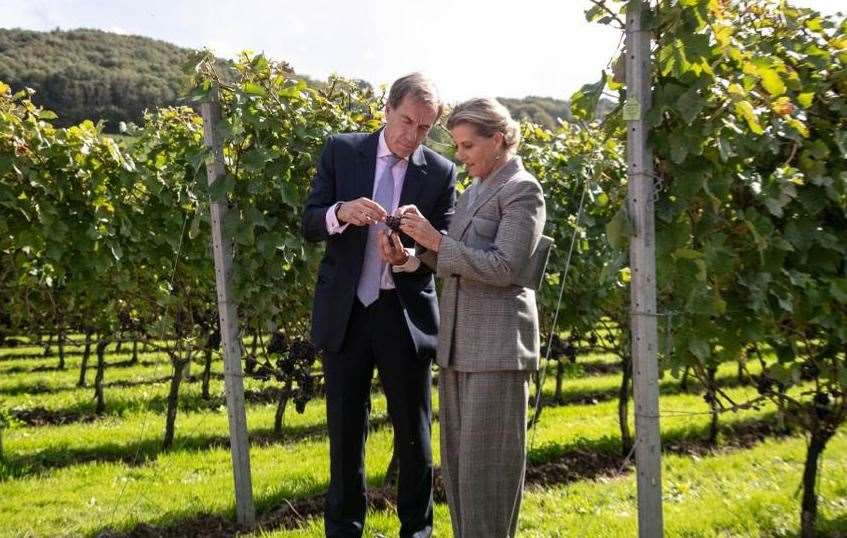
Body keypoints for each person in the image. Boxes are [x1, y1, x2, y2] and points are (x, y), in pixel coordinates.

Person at [300, 73, 457, 538]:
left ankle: (418, 532)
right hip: (347, 315)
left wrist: (407, 259)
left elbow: (438, 254)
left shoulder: (441, 172)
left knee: (414, 435)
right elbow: (309, 222)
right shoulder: (342, 151)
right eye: (407, 121)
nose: (413, 135)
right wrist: (340, 213)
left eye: (425, 128)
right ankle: (344, 531)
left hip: (402, 315)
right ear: (386, 110)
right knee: (345, 435)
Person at [392, 97, 546, 537]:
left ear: (497, 140)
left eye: (467, 146)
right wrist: (412, 253)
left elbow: (504, 267)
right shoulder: (476, 189)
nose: (460, 156)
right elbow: (456, 259)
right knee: (460, 475)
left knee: (488, 478)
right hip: (459, 348)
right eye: (457, 146)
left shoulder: (522, 190)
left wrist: (437, 243)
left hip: (497, 350)